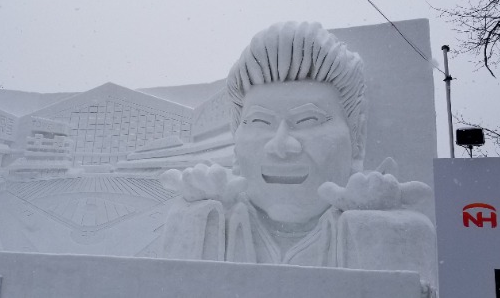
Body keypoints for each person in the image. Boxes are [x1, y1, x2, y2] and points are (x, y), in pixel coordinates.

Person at [160, 21, 437, 291]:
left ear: (357, 137)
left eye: (308, 120)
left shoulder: (399, 232)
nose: (280, 146)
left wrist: (380, 236)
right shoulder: (206, 221)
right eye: (259, 122)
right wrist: (202, 224)